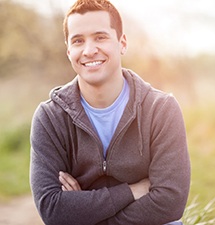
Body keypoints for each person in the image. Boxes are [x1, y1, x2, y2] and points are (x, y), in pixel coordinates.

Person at [30, 0, 190, 224]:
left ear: (122, 43)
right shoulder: (50, 117)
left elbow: (170, 202)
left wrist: (84, 212)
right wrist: (133, 191)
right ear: (69, 50)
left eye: (100, 37)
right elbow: (52, 209)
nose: (89, 50)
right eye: (78, 41)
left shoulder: (161, 109)